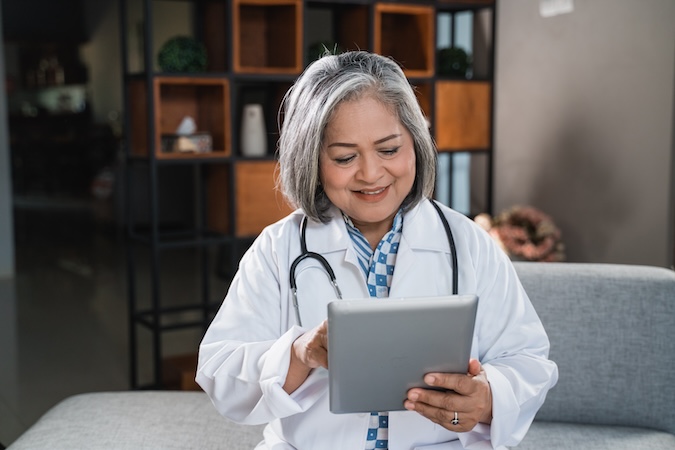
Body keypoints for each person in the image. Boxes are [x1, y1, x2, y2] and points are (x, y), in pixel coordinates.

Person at [196, 51, 558, 449]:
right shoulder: (278, 249)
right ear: (312, 159)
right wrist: (301, 354)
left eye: (388, 150)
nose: (371, 174)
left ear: (416, 144)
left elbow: (528, 361)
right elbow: (220, 371)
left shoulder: (467, 242)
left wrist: (486, 399)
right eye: (345, 157)